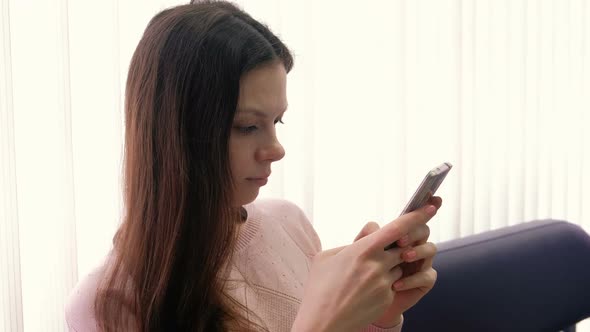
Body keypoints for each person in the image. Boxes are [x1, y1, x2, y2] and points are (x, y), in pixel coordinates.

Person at [65, 1, 441, 331]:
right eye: (247, 126)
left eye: (276, 122)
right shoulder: (108, 303)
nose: (275, 150)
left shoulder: (289, 223)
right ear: (175, 133)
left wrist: (379, 316)